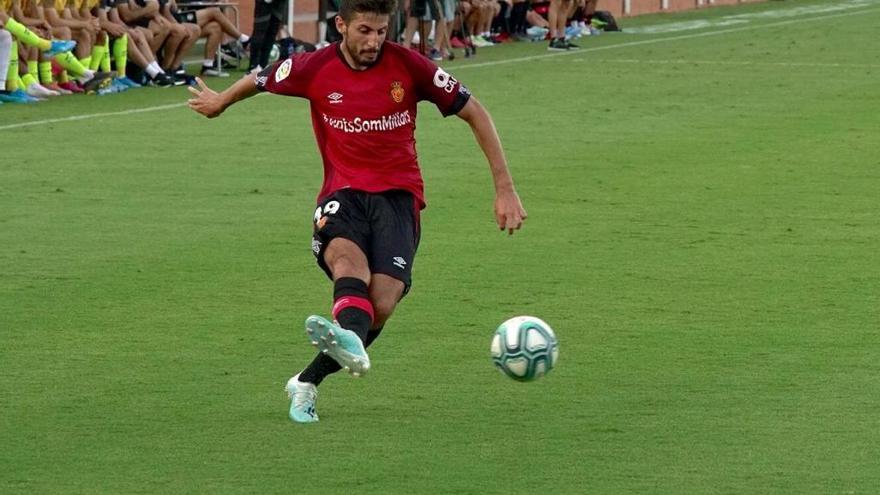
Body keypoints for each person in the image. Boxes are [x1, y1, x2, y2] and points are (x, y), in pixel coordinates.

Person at [187, 0, 527, 424]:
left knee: (381, 303)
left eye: (382, 32)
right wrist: (221, 100)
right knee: (350, 265)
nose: (374, 41)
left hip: (399, 198)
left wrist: (505, 189)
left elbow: (475, 112)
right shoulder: (312, 67)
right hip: (342, 194)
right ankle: (344, 339)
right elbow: (261, 78)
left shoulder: (411, 67)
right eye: (365, 31)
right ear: (341, 26)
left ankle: (307, 381)